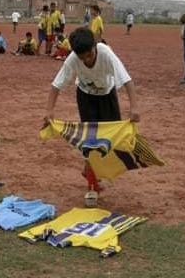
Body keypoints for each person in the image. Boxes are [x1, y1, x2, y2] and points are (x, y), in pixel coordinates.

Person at [43, 27, 140, 207]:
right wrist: (49, 110)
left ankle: (91, 168)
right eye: (82, 58)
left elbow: (126, 80)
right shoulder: (73, 59)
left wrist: (134, 107)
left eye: (89, 55)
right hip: (86, 97)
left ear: (95, 46)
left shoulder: (106, 53)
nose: (86, 60)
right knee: (91, 141)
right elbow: (56, 85)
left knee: (110, 139)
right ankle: (92, 186)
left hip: (107, 95)